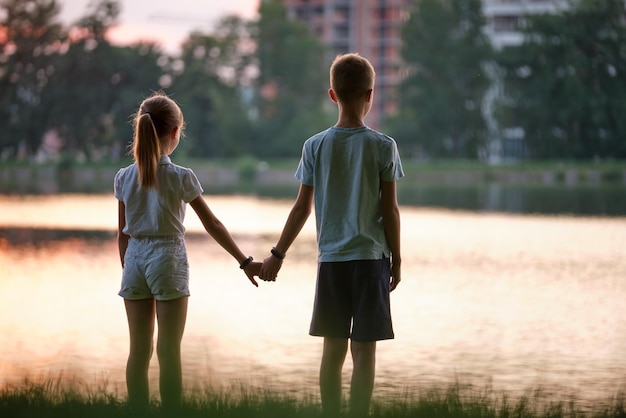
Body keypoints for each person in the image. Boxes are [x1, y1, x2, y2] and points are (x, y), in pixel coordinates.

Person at [259, 53, 403, 416]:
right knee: (364, 352)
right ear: (370, 94)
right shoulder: (384, 146)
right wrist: (397, 259)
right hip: (371, 261)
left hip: (332, 263)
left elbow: (301, 209)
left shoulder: (315, 146)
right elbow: (390, 211)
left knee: (332, 351)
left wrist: (278, 254)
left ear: (333, 95)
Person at [114, 91, 260, 411]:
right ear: (176, 133)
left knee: (138, 350)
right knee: (169, 351)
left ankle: (136, 411)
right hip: (168, 258)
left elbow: (122, 234)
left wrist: (130, 267)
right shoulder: (181, 177)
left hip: (135, 259)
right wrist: (244, 261)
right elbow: (213, 225)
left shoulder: (124, 177)